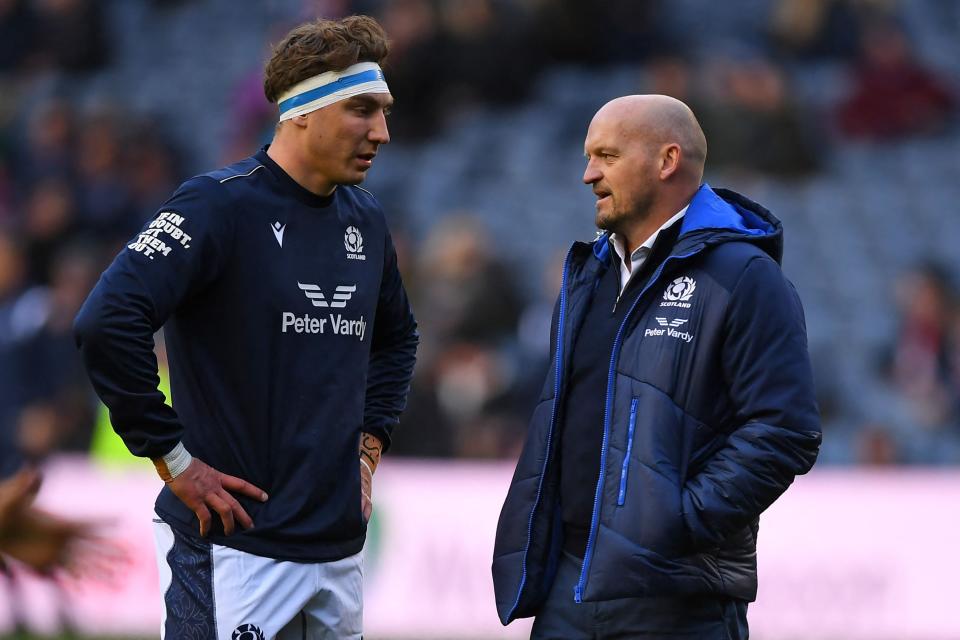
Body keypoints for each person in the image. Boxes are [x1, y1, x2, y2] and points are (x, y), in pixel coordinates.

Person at [74, 15, 418, 639]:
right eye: (364, 110)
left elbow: (397, 340)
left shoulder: (365, 221)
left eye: (385, 111)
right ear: (303, 111)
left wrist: (368, 451)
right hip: (235, 550)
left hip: (337, 554)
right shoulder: (216, 207)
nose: (383, 132)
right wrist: (172, 458)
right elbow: (106, 320)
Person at [492, 95, 821, 639]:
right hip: (568, 586)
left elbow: (786, 429)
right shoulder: (586, 277)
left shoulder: (744, 276)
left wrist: (678, 520)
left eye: (606, 156)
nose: (587, 174)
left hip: (679, 597)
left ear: (667, 161)